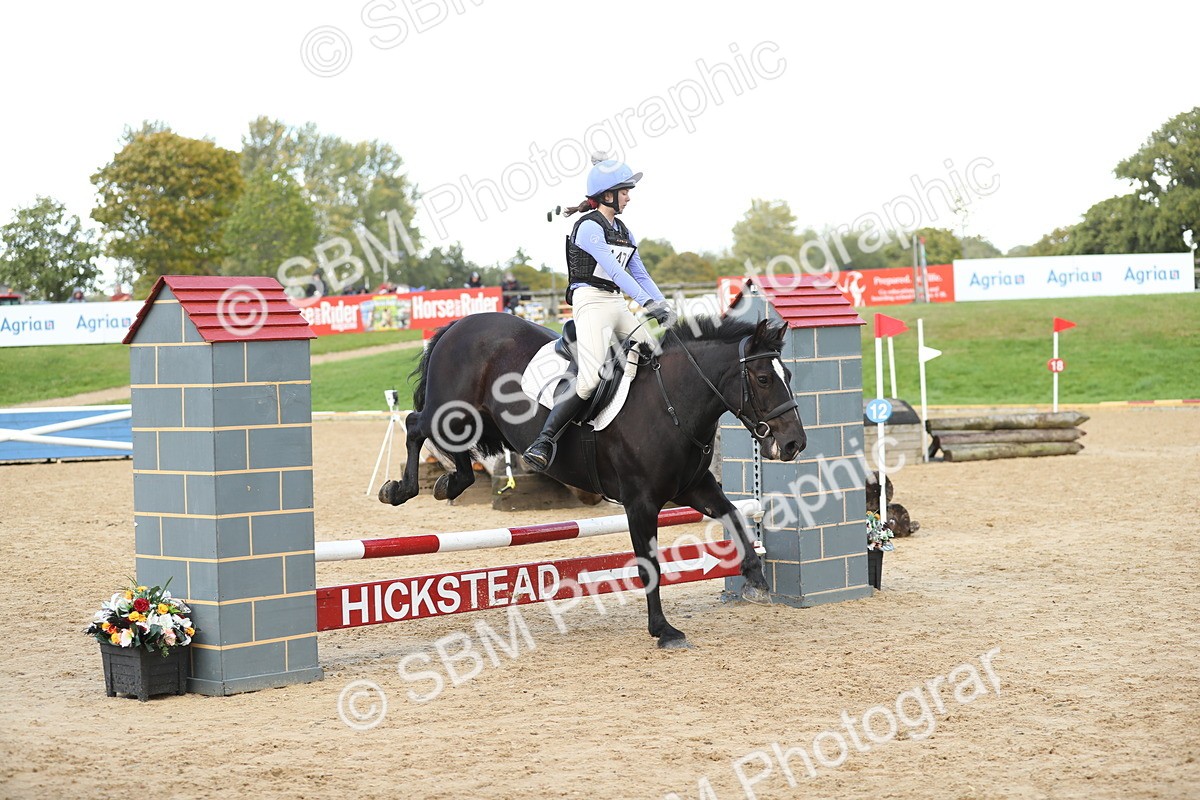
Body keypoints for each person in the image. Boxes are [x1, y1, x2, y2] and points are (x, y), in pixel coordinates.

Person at [522, 157, 677, 472]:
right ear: (608, 195)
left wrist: (664, 305)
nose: (629, 198)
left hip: (616, 303)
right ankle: (544, 441)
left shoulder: (624, 231)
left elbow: (640, 274)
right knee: (590, 378)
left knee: (655, 353)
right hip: (590, 301)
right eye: (625, 192)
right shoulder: (589, 227)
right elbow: (616, 271)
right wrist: (648, 304)